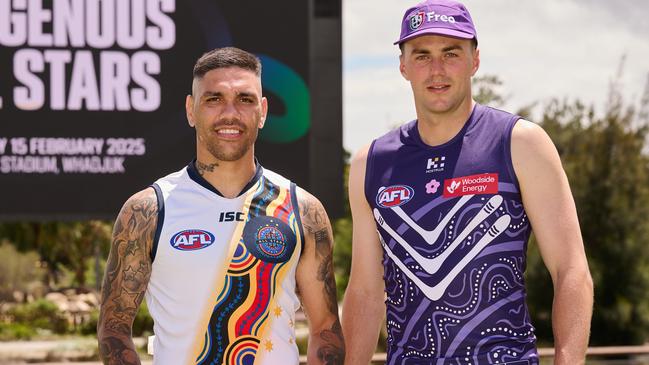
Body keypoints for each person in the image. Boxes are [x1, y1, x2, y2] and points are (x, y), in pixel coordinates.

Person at [341, 0, 593, 364]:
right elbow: (365, 291)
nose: (437, 69)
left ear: (475, 60)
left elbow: (571, 270)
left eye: (451, 53)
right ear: (403, 66)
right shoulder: (371, 162)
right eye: (422, 55)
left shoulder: (521, 143)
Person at [97, 47, 344, 365]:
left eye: (245, 99)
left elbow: (325, 330)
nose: (230, 113)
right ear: (190, 110)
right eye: (213, 99)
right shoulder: (148, 210)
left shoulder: (303, 210)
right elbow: (113, 331)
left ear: (263, 111)